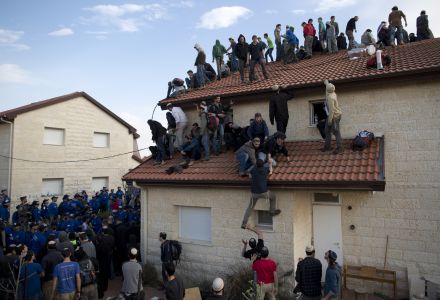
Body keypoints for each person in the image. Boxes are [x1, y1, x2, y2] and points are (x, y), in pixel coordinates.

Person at [241, 159, 280, 228]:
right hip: (264, 192)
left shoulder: (254, 170)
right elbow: (271, 171)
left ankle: (244, 224)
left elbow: (249, 174)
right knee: (273, 197)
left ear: (256, 164)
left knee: (250, 208)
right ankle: (271, 211)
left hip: (254, 193)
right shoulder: (265, 169)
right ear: (263, 164)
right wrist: (270, 163)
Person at [321, 80, 342, 154]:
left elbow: (332, 110)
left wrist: (330, 121)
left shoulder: (331, 97)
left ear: (328, 90)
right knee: (327, 130)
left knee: (336, 132)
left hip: (335, 116)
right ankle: (327, 147)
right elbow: (328, 87)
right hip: (330, 115)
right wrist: (326, 83)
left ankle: (340, 148)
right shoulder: (331, 90)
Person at [96, 226, 114, 297]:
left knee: (102, 274)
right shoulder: (112, 238)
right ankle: (106, 286)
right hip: (109, 256)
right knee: (107, 271)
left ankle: (103, 287)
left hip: (102, 259)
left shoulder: (102, 240)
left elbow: (98, 251)